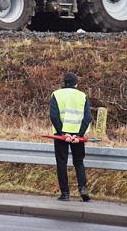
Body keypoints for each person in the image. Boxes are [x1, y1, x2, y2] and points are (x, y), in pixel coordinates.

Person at [50, 72, 92, 202]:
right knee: (78, 162)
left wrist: (62, 133)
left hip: (61, 136)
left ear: (64, 83)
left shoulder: (56, 94)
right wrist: (78, 134)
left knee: (61, 163)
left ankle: (65, 193)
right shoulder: (82, 96)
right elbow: (87, 118)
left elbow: (54, 116)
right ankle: (83, 188)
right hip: (77, 136)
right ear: (76, 83)